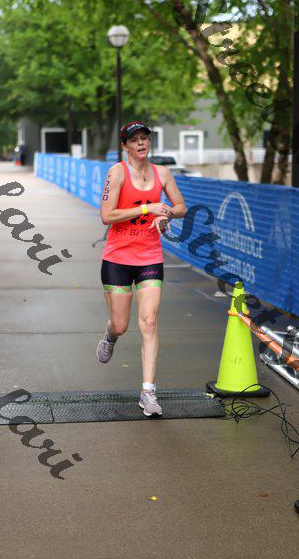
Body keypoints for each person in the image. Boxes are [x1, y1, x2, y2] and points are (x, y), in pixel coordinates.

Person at [97, 121, 187, 417]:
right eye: (134, 139)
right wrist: (147, 208)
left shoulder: (163, 173)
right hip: (118, 258)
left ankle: (148, 392)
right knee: (121, 324)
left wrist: (166, 214)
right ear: (124, 146)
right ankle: (110, 336)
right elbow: (107, 215)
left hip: (149, 257)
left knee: (149, 322)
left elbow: (181, 206)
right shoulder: (117, 173)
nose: (141, 143)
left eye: (145, 138)